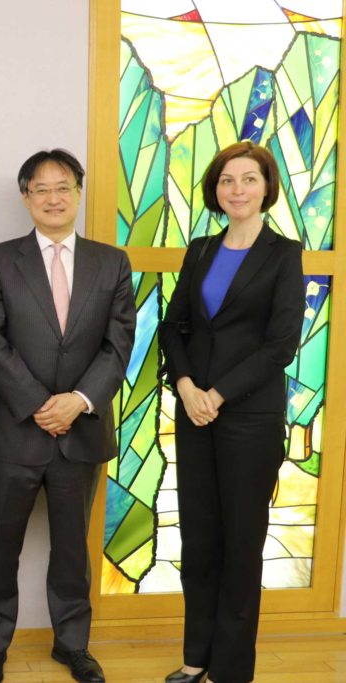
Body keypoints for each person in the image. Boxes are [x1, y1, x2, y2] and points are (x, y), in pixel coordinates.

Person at [0, 149, 134, 683]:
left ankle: (72, 644)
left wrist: (79, 401)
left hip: (81, 430)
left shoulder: (111, 262)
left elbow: (119, 344)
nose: (53, 197)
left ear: (78, 193)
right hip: (17, 429)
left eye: (63, 186)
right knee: (1, 545)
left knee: (71, 550)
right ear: (26, 197)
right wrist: (41, 404)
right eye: (41, 188)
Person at [159, 141, 304, 683]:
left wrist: (217, 395)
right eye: (226, 180)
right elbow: (175, 326)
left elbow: (280, 344)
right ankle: (196, 657)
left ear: (266, 187)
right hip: (194, 412)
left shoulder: (284, 254)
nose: (236, 189)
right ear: (214, 190)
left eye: (247, 179)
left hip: (248, 418)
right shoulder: (199, 249)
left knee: (241, 544)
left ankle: (231, 669)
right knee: (199, 541)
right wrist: (187, 384)